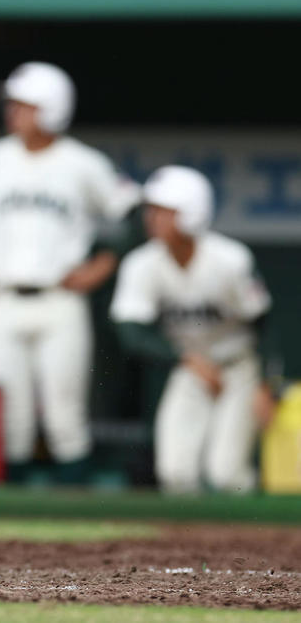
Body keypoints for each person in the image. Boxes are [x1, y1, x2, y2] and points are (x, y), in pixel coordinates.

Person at [0, 62, 141, 485]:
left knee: (64, 412)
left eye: (23, 104)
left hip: (60, 299)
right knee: (10, 416)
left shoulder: (82, 163)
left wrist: (103, 264)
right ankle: (13, 520)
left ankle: (76, 516)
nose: (12, 112)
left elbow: (133, 214)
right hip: (4, 298)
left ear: (52, 109)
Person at [111, 166, 275, 494]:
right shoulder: (141, 263)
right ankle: (184, 547)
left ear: (191, 213)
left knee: (227, 475)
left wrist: (267, 384)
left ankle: (252, 543)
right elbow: (130, 332)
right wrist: (186, 359)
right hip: (189, 366)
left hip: (237, 367)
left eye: (162, 211)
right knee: (175, 473)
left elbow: (264, 321)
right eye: (151, 210)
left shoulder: (230, 259)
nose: (151, 218)